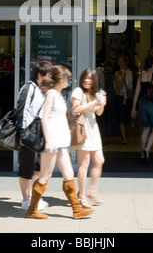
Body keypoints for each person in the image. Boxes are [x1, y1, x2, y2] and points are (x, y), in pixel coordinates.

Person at [25, 65, 94, 220]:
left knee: (69, 174)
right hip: (53, 142)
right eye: (67, 78)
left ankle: (76, 209)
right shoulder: (51, 94)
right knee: (45, 175)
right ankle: (32, 209)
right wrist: (48, 141)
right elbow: (44, 118)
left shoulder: (59, 94)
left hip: (61, 142)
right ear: (60, 79)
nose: (69, 81)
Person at [18, 60, 53, 212]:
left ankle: (34, 198)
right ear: (40, 75)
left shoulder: (45, 89)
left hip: (40, 133)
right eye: (48, 76)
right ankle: (26, 200)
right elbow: (21, 110)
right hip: (28, 133)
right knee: (26, 168)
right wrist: (21, 134)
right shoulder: (28, 88)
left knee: (38, 168)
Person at [70, 68, 106, 208]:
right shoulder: (78, 91)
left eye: (90, 79)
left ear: (94, 81)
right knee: (84, 164)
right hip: (82, 129)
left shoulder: (95, 93)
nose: (87, 80)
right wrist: (93, 103)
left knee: (99, 160)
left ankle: (92, 190)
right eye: (85, 78)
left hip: (93, 128)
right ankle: (81, 195)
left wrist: (101, 105)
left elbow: (99, 113)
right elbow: (75, 109)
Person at [131, 55, 153, 162]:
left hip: (142, 104)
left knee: (146, 128)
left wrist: (134, 108)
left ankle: (143, 152)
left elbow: (136, 94)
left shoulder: (141, 76)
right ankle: (147, 150)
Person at [113, 55, 133, 144]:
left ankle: (124, 134)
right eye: (119, 61)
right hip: (120, 97)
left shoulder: (130, 72)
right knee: (121, 118)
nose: (120, 63)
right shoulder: (117, 73)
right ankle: (124, 137)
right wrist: (123, 77)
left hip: (128, 97)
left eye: (121, 61)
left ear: (126, 62)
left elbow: (131, 87)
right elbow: (118, 86)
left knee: (127, 118)